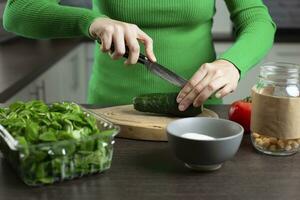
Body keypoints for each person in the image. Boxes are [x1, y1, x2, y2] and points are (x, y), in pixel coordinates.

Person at [3, 0, 275, 111]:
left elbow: (257, 20)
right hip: (112, 111)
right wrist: (93, 22)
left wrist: (232, 63)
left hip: (200, 109)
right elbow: (18, 11)